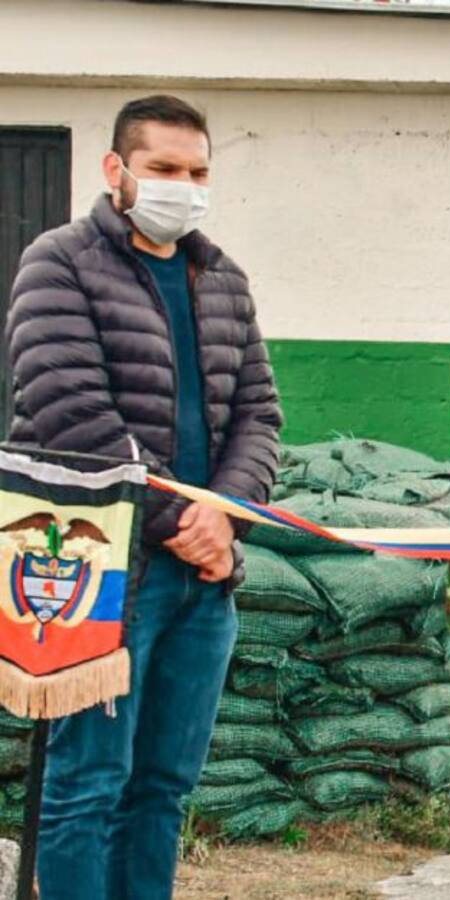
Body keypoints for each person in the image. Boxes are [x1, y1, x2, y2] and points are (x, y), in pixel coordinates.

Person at [5, 94, 281, 899]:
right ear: (116, 170)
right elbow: (70, 414)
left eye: (198, 172)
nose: (183, 186)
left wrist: (224, 515)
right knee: (88, 784)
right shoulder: (57, 263)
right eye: (163, 169)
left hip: (204, 576)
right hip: (100, 574)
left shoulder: (222, 277)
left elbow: (260, 415)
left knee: (163, 788)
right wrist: (181, 523)